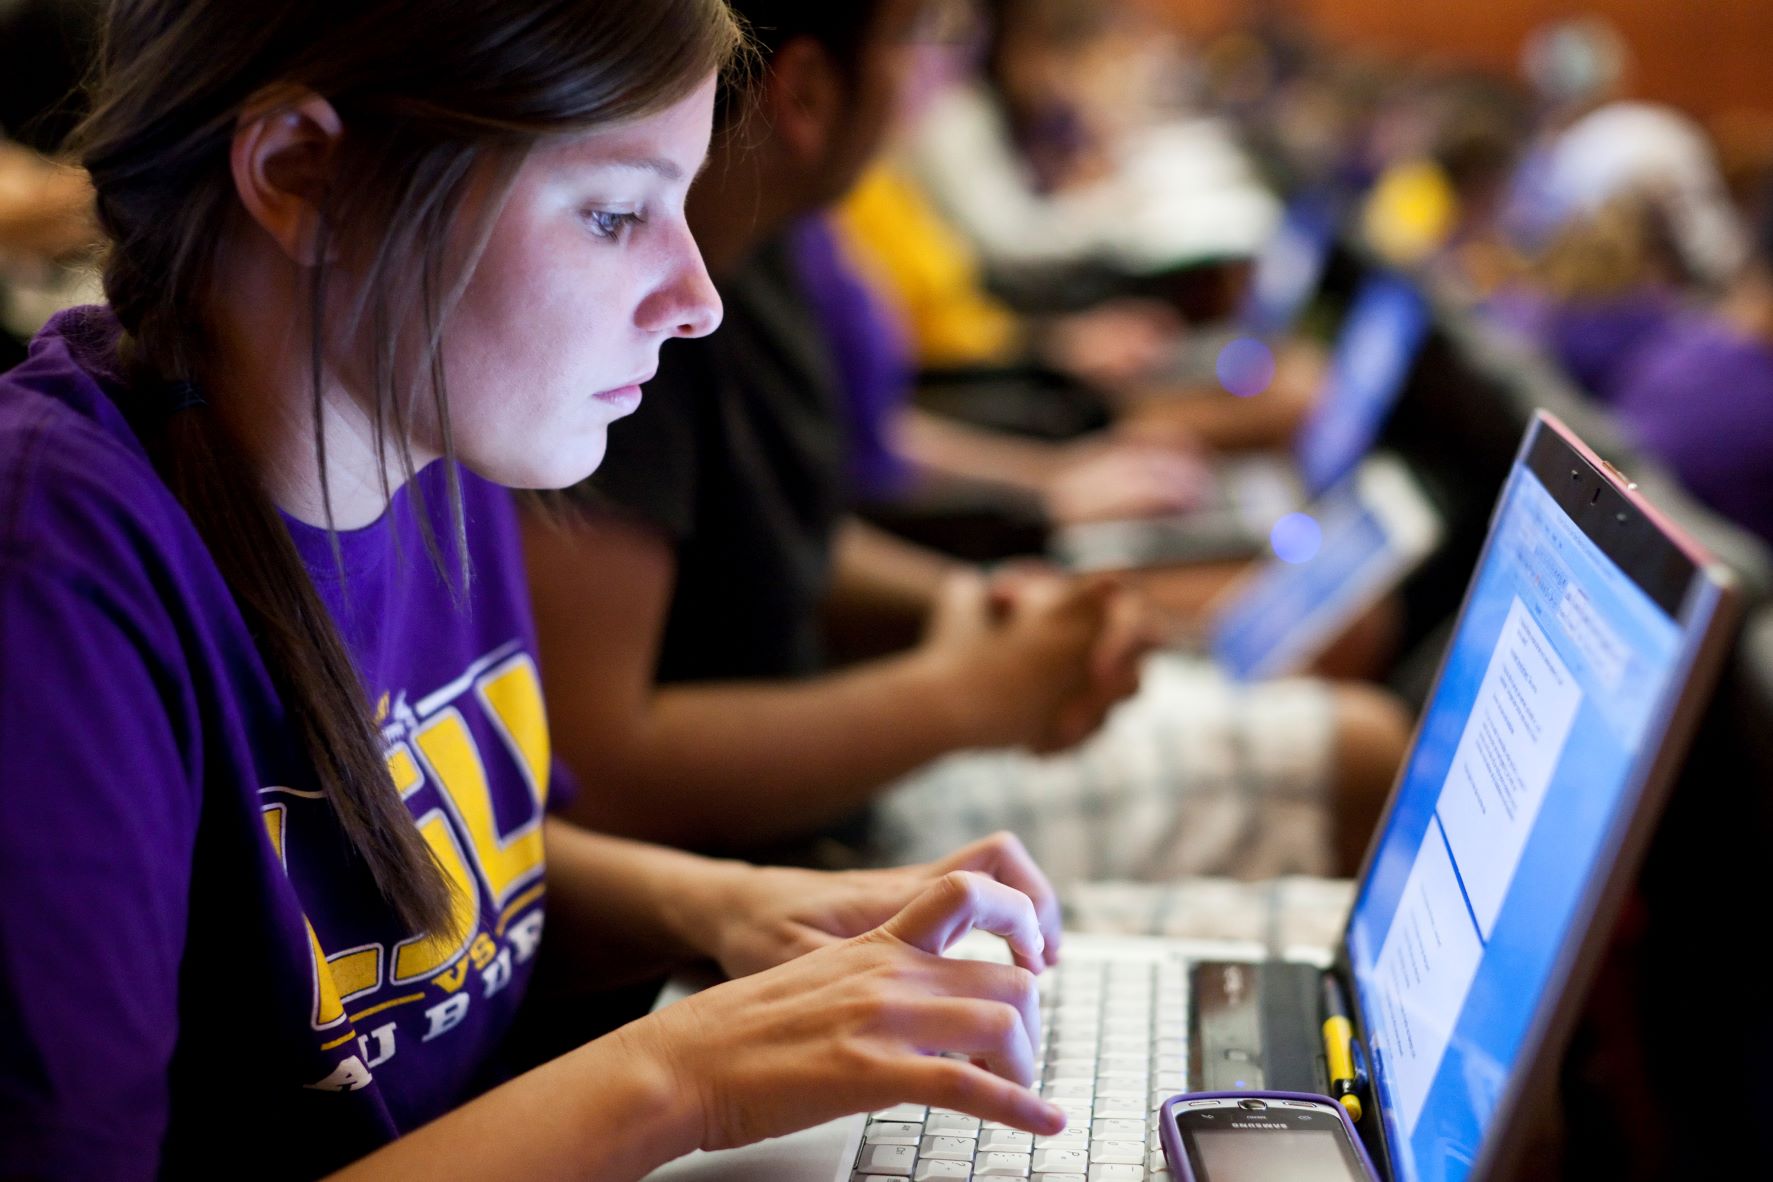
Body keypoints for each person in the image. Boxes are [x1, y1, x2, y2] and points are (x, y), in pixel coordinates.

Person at [0, 1, 1074, 1176]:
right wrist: (682, 1074)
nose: (697, 297)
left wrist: (724, 907)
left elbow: (456, 865)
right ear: (302, 170)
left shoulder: (430, 434)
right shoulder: (50, 579)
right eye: (616, 215)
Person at [525, 0, 1412, 886]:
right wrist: (959, 696)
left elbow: (784, 546)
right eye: (910, 43)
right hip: (772, 854)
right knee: (1365, 744)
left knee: (1335, 670)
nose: (924, 84)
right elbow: (601, 770)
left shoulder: (760, 254)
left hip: (840, 773)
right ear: (802, 94)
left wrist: (977, 608)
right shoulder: (634, 327)